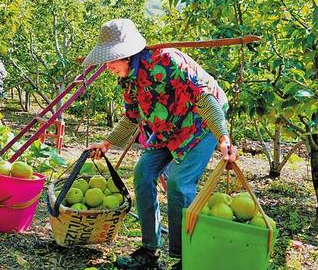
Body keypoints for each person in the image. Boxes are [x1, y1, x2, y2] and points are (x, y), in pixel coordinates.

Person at [84, 19, 236, 270]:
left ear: (128, 54)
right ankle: (149, 250)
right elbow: (132, 118)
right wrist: (107, 143)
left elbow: (206, 99)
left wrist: (223, 137)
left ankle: (187, 257)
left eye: (112, 59)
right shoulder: (128, 79)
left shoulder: (169, 61)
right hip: (168, 126)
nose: (108, 65)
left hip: (201, 121)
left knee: (179, 182)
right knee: (143, 173)